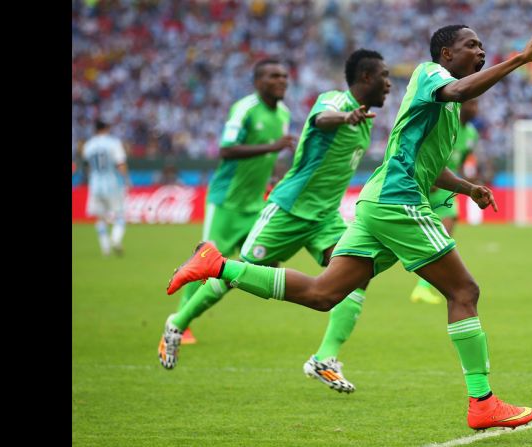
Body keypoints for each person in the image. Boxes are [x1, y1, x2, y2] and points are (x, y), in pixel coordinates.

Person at [163, 21, 532, 430]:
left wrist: (468, 187)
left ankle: (218, 265)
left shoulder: (449, 107)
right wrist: (521, 59)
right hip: (397, 202)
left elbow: (430, 164)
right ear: (446, 54)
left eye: (482, 46)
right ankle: (482, 402)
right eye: (471, 45)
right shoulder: (431, 75)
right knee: (464, 291)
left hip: (379, 203)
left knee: (323, 294)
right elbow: (460, 89)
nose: (480, 51)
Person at [159, 50, 392, 397]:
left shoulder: (368, 119)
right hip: (288, 210)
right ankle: (176, 324)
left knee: (357, 273)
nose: (390, 84)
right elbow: (320, 120)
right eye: (385, 76)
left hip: (325, 217)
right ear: (367, 78)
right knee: (241, 273)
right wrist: (343, 118)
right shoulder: (335, 101)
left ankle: (324, 358)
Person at [174, 59, 296, 345]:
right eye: (273, 76)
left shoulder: (284, 114)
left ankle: (220, 293)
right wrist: (273, 147)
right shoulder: (244, 109)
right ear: (257, 82)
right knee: (202, 261)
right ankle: (180, 322)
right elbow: (226, 150)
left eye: (284, 76)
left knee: (268, 260)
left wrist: (276, 179)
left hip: (255, 203)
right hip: (226, 202)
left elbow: (272, 159)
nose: (282, 81)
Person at [409, 97, 483, 304]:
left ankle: (423, 287)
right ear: (461, 105)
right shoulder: (445, 123)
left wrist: (469, 181)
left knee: (446, 230)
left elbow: (461, 161)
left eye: (477, 104)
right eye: (472, 103)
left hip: (445, 189)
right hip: (421, 184)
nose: (475, 108)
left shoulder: (471, 134)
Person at [82, 119, 131, 257]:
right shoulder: (113, 143)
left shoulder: (89, 145)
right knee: (120, 214)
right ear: (107, 128)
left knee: (100, 217)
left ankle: (105, 249)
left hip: (95, 184)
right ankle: (115, 239)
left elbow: (86, 165)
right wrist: (127, 180)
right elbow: (120, 163)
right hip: (112, 183)